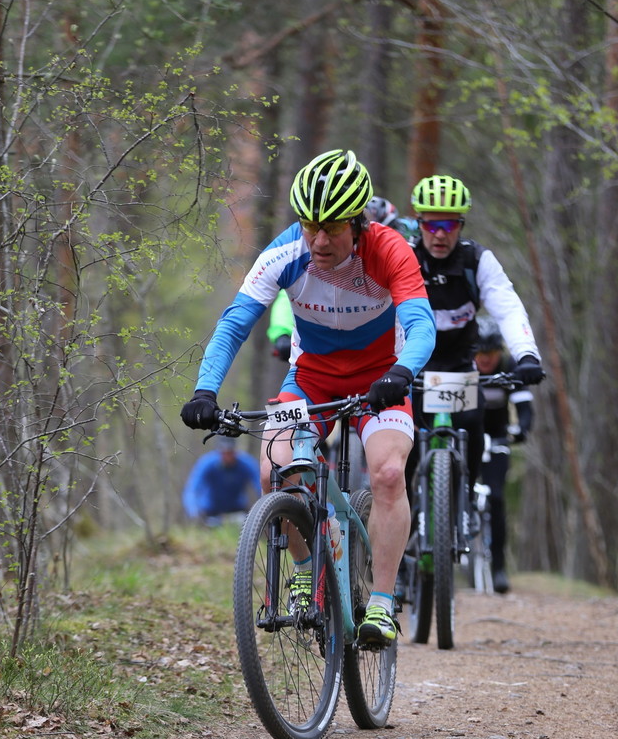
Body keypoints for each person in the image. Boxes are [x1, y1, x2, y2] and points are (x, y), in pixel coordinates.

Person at [180, 148, 436, 646]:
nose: (318, 240)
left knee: (387, 473)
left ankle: (383, 603)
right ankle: (305, 572)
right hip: (311, 376)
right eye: (309, 225)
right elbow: (234, 324)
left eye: (332, 228)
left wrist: (403, 372)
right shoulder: (284, 253)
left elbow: (421, 324)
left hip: (381, 374)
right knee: (272, 470)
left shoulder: (389, 249)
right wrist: (204, 390)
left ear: (357, 223)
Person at [405, 174, 544, 505]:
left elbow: (508, 309)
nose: (440, 234)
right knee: (401, 457)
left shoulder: (477, 261)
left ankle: (462, 504)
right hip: (410, 367)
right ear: (419, 223)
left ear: (461, 225)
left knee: (472, 425)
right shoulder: (403, 256)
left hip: (458, 368)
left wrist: (527, 355)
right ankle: (403, 519)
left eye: (450, 225)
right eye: (432, 224)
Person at [475, 319, 535, 594]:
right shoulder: (462, 366)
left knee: (496, 498)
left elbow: (524, 406)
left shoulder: (510, 367)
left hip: (498, 439)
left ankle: (499, 568)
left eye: (491, 353)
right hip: (465, 437)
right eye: (479, 353)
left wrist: (522, 428)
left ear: (500, 352)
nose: (485, 359)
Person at [181, 436, 261, 525]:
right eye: (224, 453)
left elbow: (260, 485)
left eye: (230, 452)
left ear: (235, 451)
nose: (227, 456)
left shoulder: (246, 463)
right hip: (211, 512)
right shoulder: (207, 463)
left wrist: (263, 507)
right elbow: (192, 489)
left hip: (236, 511)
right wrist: (193, 511)